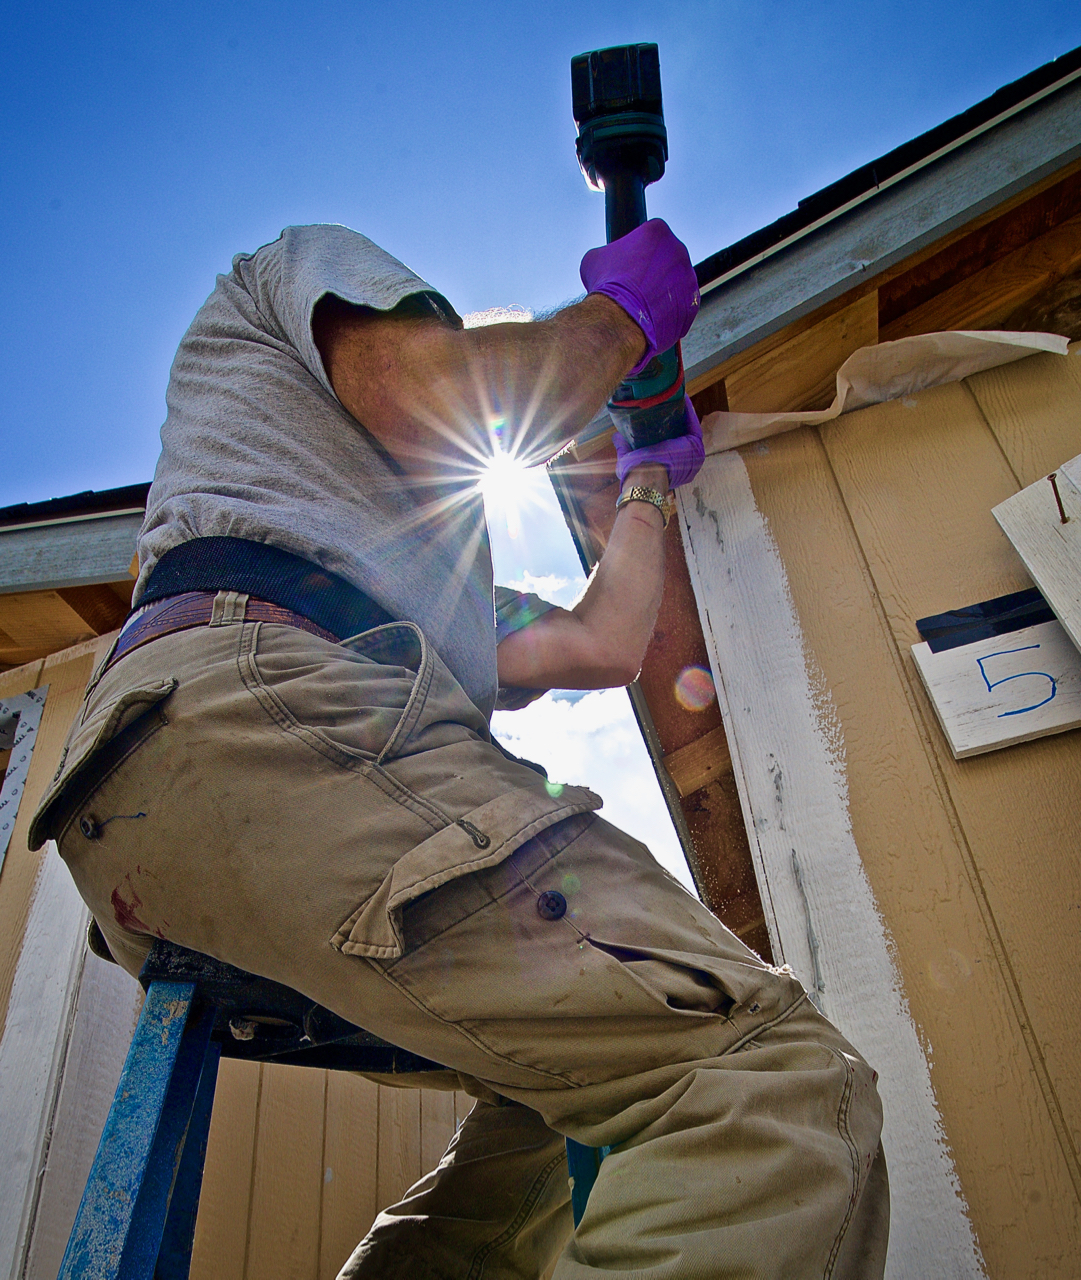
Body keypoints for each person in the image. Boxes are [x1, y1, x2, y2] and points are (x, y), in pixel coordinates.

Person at [30, 220, 889, 1279]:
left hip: (157, 814)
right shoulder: (298, 272)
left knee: (549, 1096)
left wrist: (645, 479)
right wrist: (619, 324)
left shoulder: (427, 577)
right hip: (259, 718)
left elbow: (602, 643)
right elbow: (430, 392)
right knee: (768, 1075)